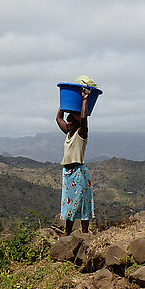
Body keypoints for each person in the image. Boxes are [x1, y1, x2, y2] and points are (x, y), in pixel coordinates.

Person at [56, 88, 95, 235]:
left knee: (82, 202)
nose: (67, 123)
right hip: (68, 172)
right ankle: (68, 232)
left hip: (79, 172)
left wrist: (84, 99)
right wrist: (64, 102)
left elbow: (84, 119)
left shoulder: (81, 134)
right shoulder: (69, 133)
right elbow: (58, 118)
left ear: (76, 123)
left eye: (70, 121)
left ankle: (84, 232)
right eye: (68, 121)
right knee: (69, 203)